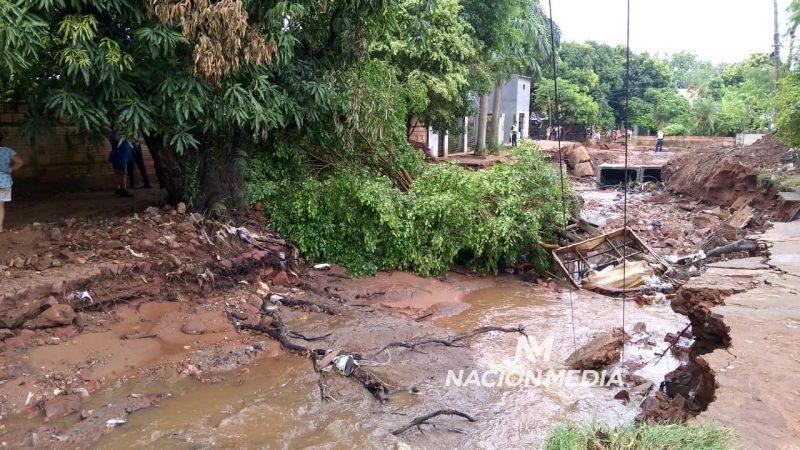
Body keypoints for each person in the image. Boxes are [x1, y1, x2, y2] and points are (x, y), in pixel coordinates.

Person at [0, 132, 24, 233]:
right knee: (0, 205)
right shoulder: (7, 151)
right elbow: (20, 162)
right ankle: (0, 227)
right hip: (4, 181)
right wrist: (10, 169)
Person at [108, 131, 134, 197]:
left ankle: (117, 189)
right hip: (121, 155)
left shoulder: (111, 134)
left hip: (115, 154)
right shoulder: (121, 133)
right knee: (123, 173)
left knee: (116, 172)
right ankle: (123, 191)